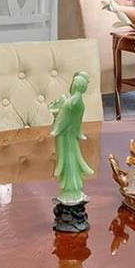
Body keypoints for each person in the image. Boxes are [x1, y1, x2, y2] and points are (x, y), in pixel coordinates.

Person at [50, 71, 95, 205]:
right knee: (73, 160)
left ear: (75, 85)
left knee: (69, 160)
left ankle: (70, 191)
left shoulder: (71, 103)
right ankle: (73, 190)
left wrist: (56, 114)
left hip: (66, 137)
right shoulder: (79, 102)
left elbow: (61, 122)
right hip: (70, 136)